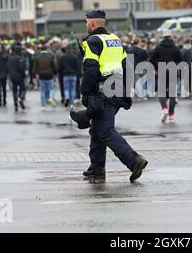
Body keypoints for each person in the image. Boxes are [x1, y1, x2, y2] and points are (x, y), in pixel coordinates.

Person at [70, 10, 148, 184]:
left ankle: (134, 161)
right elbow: (126, 66)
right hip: (117, 88)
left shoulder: (92, 41)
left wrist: (84, 92)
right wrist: (127, 91)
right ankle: (96, 168)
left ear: (91, 23)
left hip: (103, 89)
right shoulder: (115, 40)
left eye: (86, 22)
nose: (86, 25)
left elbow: (90, 68)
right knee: (97, 129)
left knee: (105, 131)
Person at [149, 30, 182, 124]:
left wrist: (155, 68)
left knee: (162, 92)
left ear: (163, 37)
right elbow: (180, 60)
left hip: (161, 71)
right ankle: (171, 115)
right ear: (170, 37)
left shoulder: (158, 48)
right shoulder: (175, 48)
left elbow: (151, 59)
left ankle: (164, 109)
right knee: (172, 95)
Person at [33, 44, 57, 110]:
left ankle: (43, 106)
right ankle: (51, 97)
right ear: (46, 49)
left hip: (41, 75)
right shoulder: (50, 56)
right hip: (49, 75)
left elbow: (35, 67)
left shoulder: (37, 57)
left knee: (42, 90)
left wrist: (34, 76)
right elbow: (54, 66)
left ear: (41, 50)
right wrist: (55, 73)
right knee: (51, 88)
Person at [8, 43, 27, 112]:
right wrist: (24, 73)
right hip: (20, 76)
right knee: (23, 89)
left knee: (14, 90)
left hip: (12, 76)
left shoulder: (10, 58)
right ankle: (21, 98)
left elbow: (8, 67)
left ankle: (15, 103)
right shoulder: (21, 58)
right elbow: (22, 68)